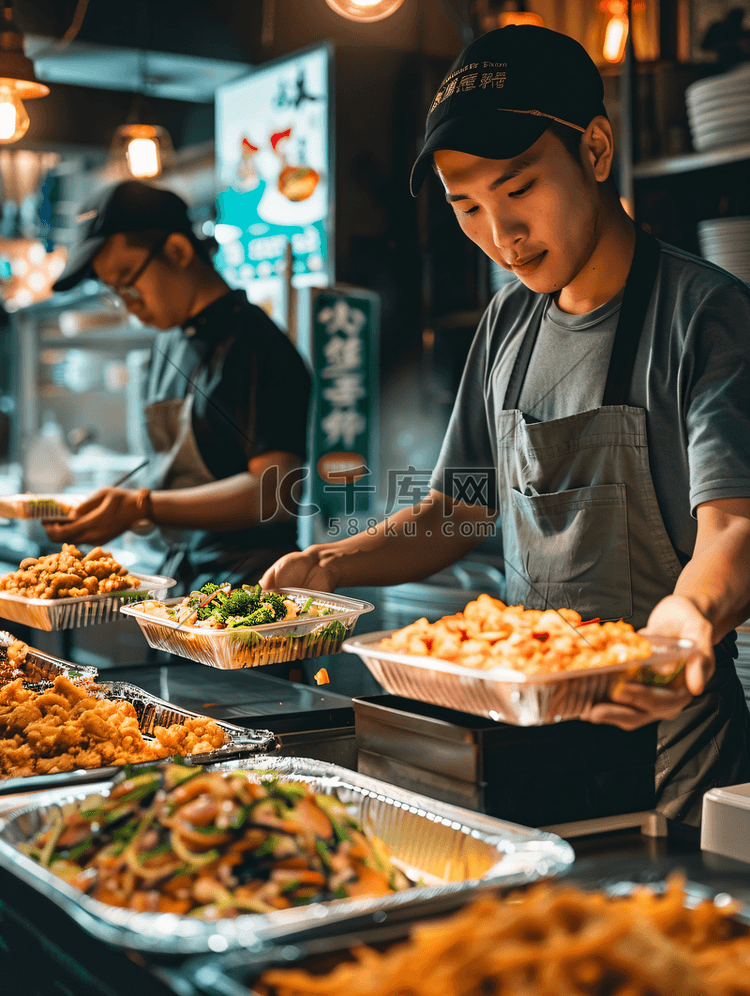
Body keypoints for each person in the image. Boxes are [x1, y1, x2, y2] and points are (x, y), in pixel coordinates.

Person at [260, 25, 750, 825]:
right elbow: (459, 509)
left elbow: (732, 523)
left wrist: (687, 618)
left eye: (518, 189)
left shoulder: (707, 316)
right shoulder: (507, 325)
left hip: (672, 746)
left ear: (594, 150)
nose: (500, 235)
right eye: (467, 206)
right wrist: (329, 563)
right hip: (525, 739)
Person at [46, 180, 311, 592]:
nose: (129, 304)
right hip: (181, 583)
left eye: (128, 280)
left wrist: (141, 505)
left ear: (178, 251)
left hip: (253, 592)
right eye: (115, 293)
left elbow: (275, 491)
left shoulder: (256, 346)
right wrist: (118, 505)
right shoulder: (166, 344)